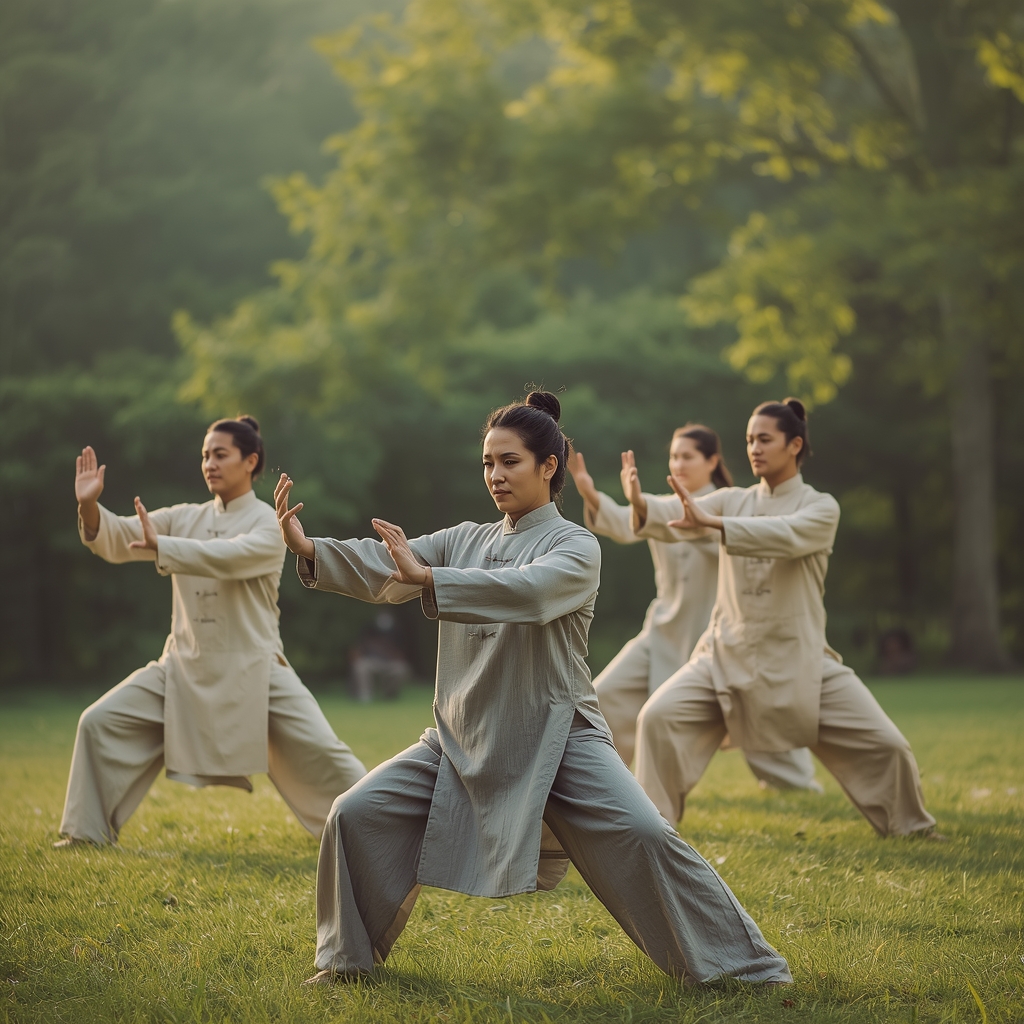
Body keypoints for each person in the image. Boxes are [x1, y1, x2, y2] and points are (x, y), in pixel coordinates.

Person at [275, 391, 791, 987]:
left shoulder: (576, 547)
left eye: (510, 461)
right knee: (354, 813)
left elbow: (530, 592)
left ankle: (747, 968)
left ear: (550, 466)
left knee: (645, 833)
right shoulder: (462, 538)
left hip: (558, 735)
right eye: (488, 463)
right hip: (460, 735)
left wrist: (432, 580)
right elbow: (389, 565)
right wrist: (310, 549)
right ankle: (345, 964)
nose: (495, 476)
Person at [629, 399, 940, 839]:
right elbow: (671, 514)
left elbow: (785, 535)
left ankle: (913, 829)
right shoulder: (732, 501)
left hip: (802, 661)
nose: (754, 448)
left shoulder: (820, 507)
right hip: (725, 657)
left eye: (765, 439)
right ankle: (652, 832)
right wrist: (637, 502)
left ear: (795, 444)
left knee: (887, 745)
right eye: (750, 440)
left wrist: (716, 524)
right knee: (656, 717)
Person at [55, 417, 366, 847]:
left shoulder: (270, 523)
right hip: (181, 666)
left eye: (220, 454)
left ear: (250, 461)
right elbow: (119, 537)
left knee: (328, 756)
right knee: (98, 722)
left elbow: (227, 557)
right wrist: (90, 506)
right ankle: (86, 835)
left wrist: (163, 547)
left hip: (255, 670)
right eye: (205, 455)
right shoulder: (184, 517)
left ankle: (382, 828)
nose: (209, 464)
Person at [569, 426, 821, 792]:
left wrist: (700, 525)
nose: (679, 463)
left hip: (715, 636)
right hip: (661, 631)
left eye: (688, 456)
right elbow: (630, 522)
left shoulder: (730, 504)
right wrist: (593, 496)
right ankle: (605, 786)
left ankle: (799, 785)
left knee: (761, 723)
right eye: (674, 456)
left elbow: (744, 542)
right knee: (604, 698)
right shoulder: (662, 505)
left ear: (712, 461)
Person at [348, 611, 412, 701]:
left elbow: (400, 655)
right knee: (360, 666)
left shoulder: (396, 633)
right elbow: (356, 651)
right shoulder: (368, 630)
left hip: (389, 662)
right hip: (371, 661)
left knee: (402, 669)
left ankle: (389, 694)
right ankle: (365, 695)